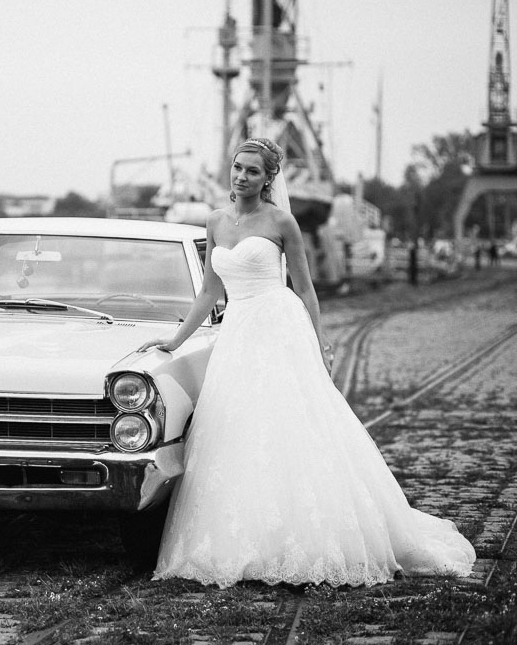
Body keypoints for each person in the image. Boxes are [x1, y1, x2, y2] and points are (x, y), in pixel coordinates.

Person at [137, 138, 475, 588]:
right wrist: (177, 339)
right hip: (238, 332)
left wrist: (319, 341)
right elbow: (209, 291)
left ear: (268, 179)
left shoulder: (282, 222)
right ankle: (246, 539)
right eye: (238, 168)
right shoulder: (215, 221)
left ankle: (307, 536)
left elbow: (305, 288)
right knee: (236, 430)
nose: (242, 177)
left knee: (291, 422)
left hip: (279, 325)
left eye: (253, 171)